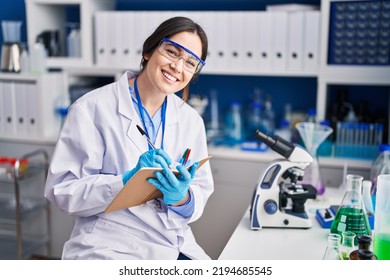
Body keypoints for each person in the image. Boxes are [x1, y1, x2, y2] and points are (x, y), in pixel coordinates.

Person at [44, 16, 214, 260]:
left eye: (190, 62)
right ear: (148, 51)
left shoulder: (191, 120)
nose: (178, 67)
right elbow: (63, 192)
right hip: (108, 242)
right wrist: (124, 182)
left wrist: (182, 198)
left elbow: (201, 190)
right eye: (172, 52)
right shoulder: (91, 109)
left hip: (171, 241)